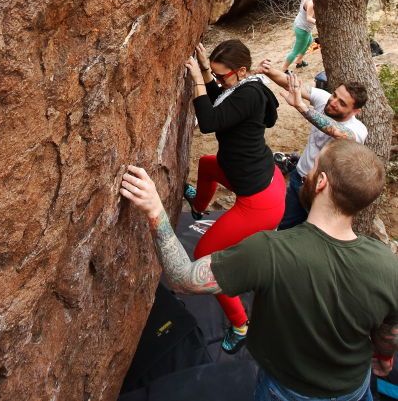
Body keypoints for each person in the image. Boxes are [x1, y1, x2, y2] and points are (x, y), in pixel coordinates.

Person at [120, 139, 398, 401]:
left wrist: (155, 210)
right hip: (354, 386)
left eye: (314, 166)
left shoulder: (269, 250)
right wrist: (385, 358)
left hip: (286, 390)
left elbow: (183, 278)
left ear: (321, 183)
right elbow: (388, 332)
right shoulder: (388, 264)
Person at [183, 39, 285, 353]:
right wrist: (206, 71)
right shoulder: (242, 87)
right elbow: (222, 102)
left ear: (241, 71)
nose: (219, 79)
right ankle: (199, 206)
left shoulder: (251, 94)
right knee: (207, 164)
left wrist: (198, 80)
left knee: (205, 257)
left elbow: (210, 122)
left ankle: (241, 325)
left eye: (222, 75)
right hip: (260, 178)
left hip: (259, 202)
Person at [259, 61, 368, 230]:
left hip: (322, 192)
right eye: (335, 95)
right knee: (284, 226)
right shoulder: (325, 100)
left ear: (356, 111)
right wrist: (268, 70)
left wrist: (301, 107)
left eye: (342, 103)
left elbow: (338, 132)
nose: (333, 102)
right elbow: (292, 84)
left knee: (312, 232)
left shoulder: (358, 130)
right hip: (299, 178)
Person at [282, 0, 316, 71]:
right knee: (296, 50)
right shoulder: (311, 4)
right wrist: (320, 23)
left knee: (309, 41)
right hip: (303, 29)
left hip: (300, 24)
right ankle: (284, 69)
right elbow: (309, 18)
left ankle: (299, 61)